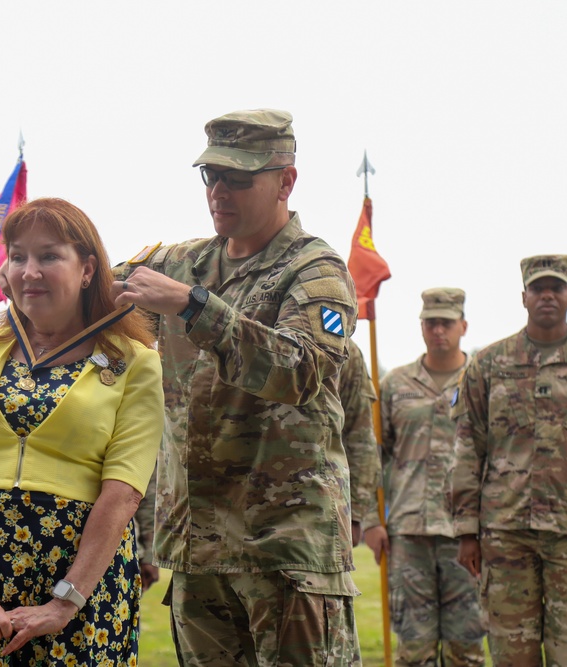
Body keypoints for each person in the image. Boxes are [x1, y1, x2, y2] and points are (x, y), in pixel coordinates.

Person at [112, 109, 360, 665]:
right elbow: (95, 293)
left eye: (239, 178)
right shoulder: (183, 262)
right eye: (211, 176)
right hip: (198, 551)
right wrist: (39, 267)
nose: (220, 190)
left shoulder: (315, 270)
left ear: (286, 180)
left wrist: (193, 307)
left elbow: (301, 370)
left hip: (286, 551)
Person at [0, 198, 164, 666]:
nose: (29, 271)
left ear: (88, 269)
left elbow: (124, 492)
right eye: (18, 257)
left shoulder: (135, 361)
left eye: (49, 256)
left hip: (80, 588)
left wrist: (63, 602)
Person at [451, 256, 567, 666]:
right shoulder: (490, 364)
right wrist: (466, 530)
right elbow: (468, 445)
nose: (547, 295)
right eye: (537, 288)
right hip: (505, 533)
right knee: (512, 654)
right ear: (523, 297)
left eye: (556, 287)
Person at [363, 288, 485, 666]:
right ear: (421, 327)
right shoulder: (395, 386)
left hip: (464, 535)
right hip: (407, 534)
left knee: (465, 647)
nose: (438, 331)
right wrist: (370, 520)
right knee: (413, 649)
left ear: (463, 326)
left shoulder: (483, 381)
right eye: (430, 323)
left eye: (446, 323)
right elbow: (372, 457)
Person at [339, 339, 382, 547]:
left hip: (316, 509)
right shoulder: (231, 321)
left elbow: (362, 438)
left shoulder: (343, 347)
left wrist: (356, 513)